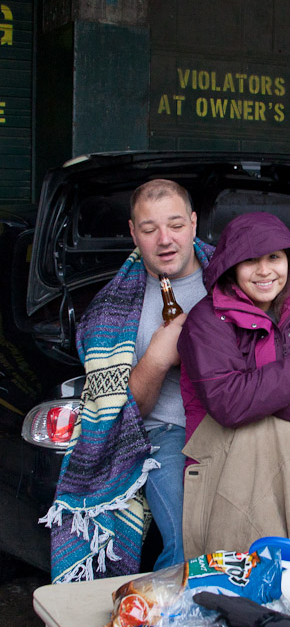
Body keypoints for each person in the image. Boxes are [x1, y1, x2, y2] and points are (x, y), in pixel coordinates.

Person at [42, 179, 213, 582]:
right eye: (150, 229)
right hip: (167, 433)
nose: (165, 239)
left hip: (234, 419)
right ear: (134, 234)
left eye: (174, 225)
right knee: (190, 540)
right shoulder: (111, 313)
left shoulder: (235, 277)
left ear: (193, 223)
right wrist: (155, 358)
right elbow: (124, 413)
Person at [177, 211, 290, 554]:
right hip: (226, 451)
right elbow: (229, 404)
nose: (265, 271)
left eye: (274, 258)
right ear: (232, 266)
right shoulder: (206, 322)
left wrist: (260, 395)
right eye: (250, 260)